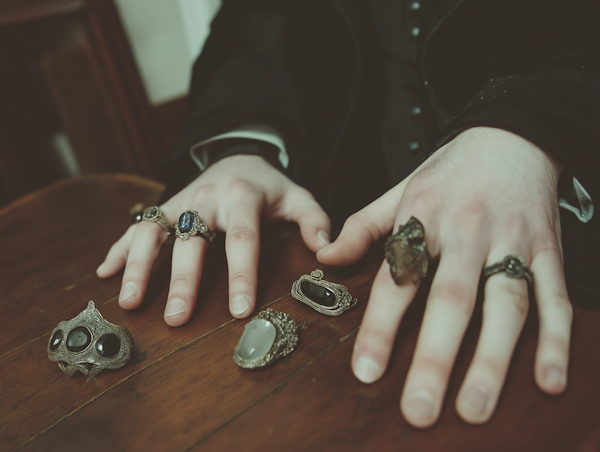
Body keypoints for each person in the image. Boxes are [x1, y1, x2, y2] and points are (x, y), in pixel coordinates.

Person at [96, 0, 600, 428]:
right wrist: (242, 141)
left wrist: (529, 124)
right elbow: (256, 18)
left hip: (558, 225)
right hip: (330, 231)